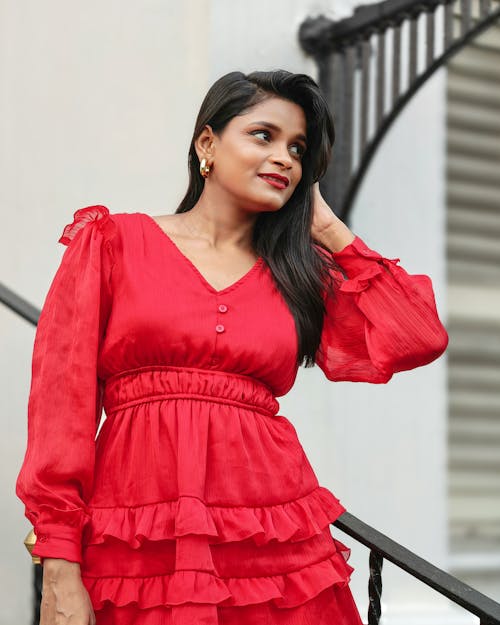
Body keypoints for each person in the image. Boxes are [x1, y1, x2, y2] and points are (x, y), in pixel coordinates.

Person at [15, 69, 449, 625]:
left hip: (269, 543)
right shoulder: (112, 241)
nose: (286, 158)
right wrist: (58, 567)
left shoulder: (301, 273)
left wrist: (332, 230)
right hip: (138, 540)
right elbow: (60, 409)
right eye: (263, 135)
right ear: (207, 144)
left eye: (298, 148)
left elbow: (417, 337)